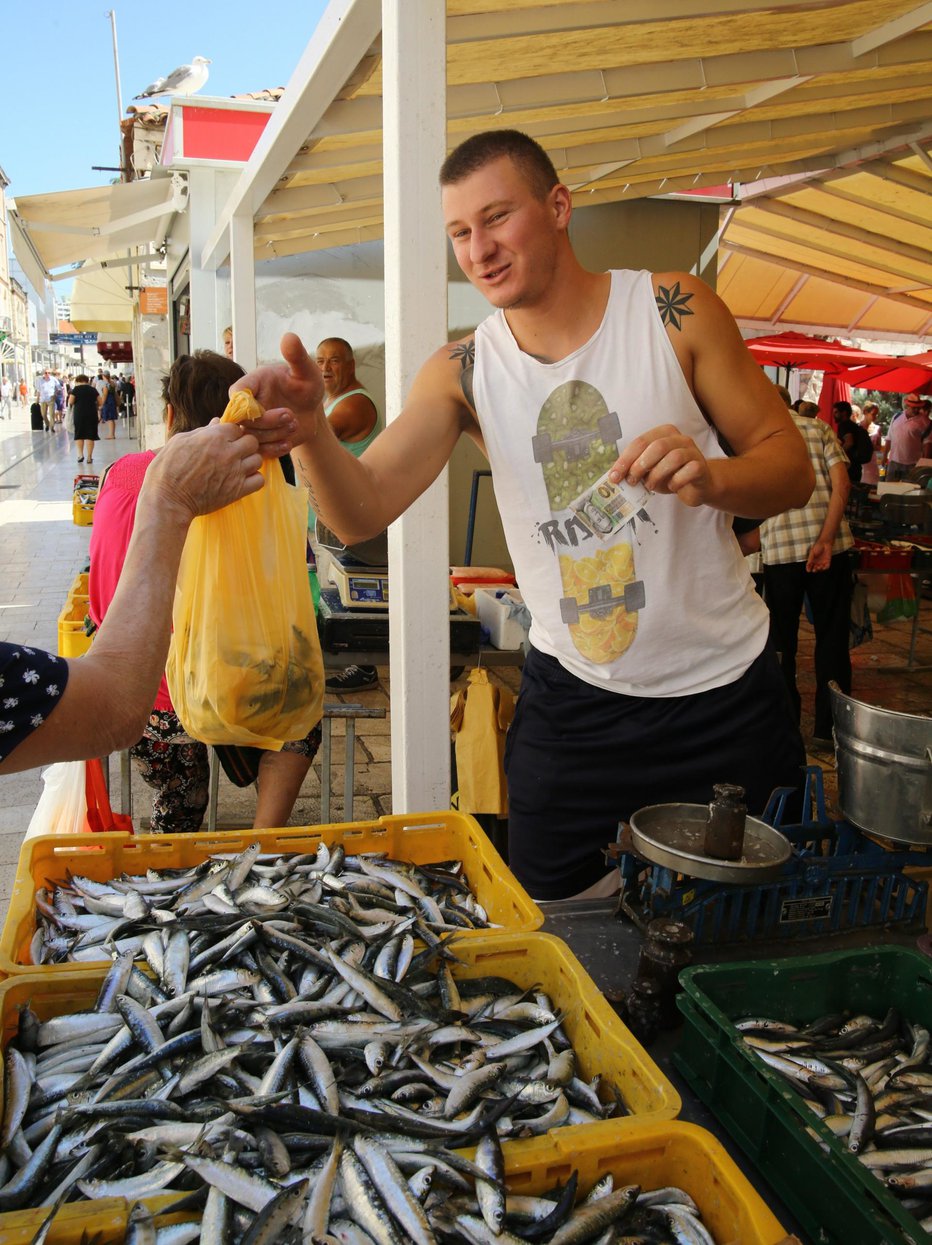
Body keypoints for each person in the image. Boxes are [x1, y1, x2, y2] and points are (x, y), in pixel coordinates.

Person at [237, 128, 813, 901]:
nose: (479, 248)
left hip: (726, 699)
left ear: (558, 206)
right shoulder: (463, 370)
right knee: (554, 928)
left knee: (742, 932)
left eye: (498, 217)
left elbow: (791, 469)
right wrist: (309, 434)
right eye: (460, 232)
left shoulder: (673, 310)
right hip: (574, 708)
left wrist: (712, 477)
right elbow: (361, 508)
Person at [89, 350, 323, 831]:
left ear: (170, 415)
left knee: (179, 791)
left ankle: (176, 841)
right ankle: (266, 836)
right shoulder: (257, 483)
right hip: (230, 687)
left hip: (145, 705)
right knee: (300, 717)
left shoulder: (121, 475)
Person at [0, 423, 263, 775]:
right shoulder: (245, 494)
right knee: (294, 725)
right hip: (180, 699)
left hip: (156, 702)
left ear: (170, 415)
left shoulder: (118, 469)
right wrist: (169, 501)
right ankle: (266, 828)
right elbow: (113, 708)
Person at [760, 390, 853, 745]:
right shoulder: (820, 429)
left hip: (781, 550)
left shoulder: (758, 438)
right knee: (832, 637)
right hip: (832, 546)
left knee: (782, 641)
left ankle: (786, 724)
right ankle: (831, 729)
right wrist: (826, 540)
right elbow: (842, 485)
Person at [315, 336, 382, 694]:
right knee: (333, 588)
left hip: (351, 518)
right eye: (320, 360)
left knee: (351, 592)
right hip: (333, 518)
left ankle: (364, 666)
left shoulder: (354, 405)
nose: (325, 368)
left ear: (351, 364)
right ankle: (346, 655)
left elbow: (316, 435)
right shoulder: (331, 401)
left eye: (335, 361)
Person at [885, 393, 932, 481]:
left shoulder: (926, 422)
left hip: (913, 464)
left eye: (918, 407)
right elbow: (889, 438)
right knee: (889, 489)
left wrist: (924, 464)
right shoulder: (896, 417)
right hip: (894, 462)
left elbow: (927, 443)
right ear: (907, 405)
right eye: (914, 407)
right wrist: (884, 457)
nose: (916, 409)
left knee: (909, 491)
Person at [68, 373, 100, 465]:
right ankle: (89, 457)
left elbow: (70, 401)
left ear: (78, 381)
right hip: (91, 414)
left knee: (79, 434)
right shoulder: (93, 390)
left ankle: (80, 455)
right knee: (90, 435)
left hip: (79, 414)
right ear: (87, 381)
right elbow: (100, 401)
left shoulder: (76, 389)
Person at [858, 401, 882, 486]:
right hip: (862, 460)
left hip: (873, 460)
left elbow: (879, 447)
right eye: (873, 414)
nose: (875, 417)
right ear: (865, 413)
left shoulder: (877, 428)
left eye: (876, 415)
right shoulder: (858, 427)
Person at [98, 371, 118, 440]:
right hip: (112, 401)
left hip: (108, 402)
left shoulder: (106, 384)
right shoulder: (112, 383)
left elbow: (105, 395)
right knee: (111, 418)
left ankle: (111, 435)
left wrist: (101, 404)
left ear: (104, 376)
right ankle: (112, 434)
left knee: (109, 419)